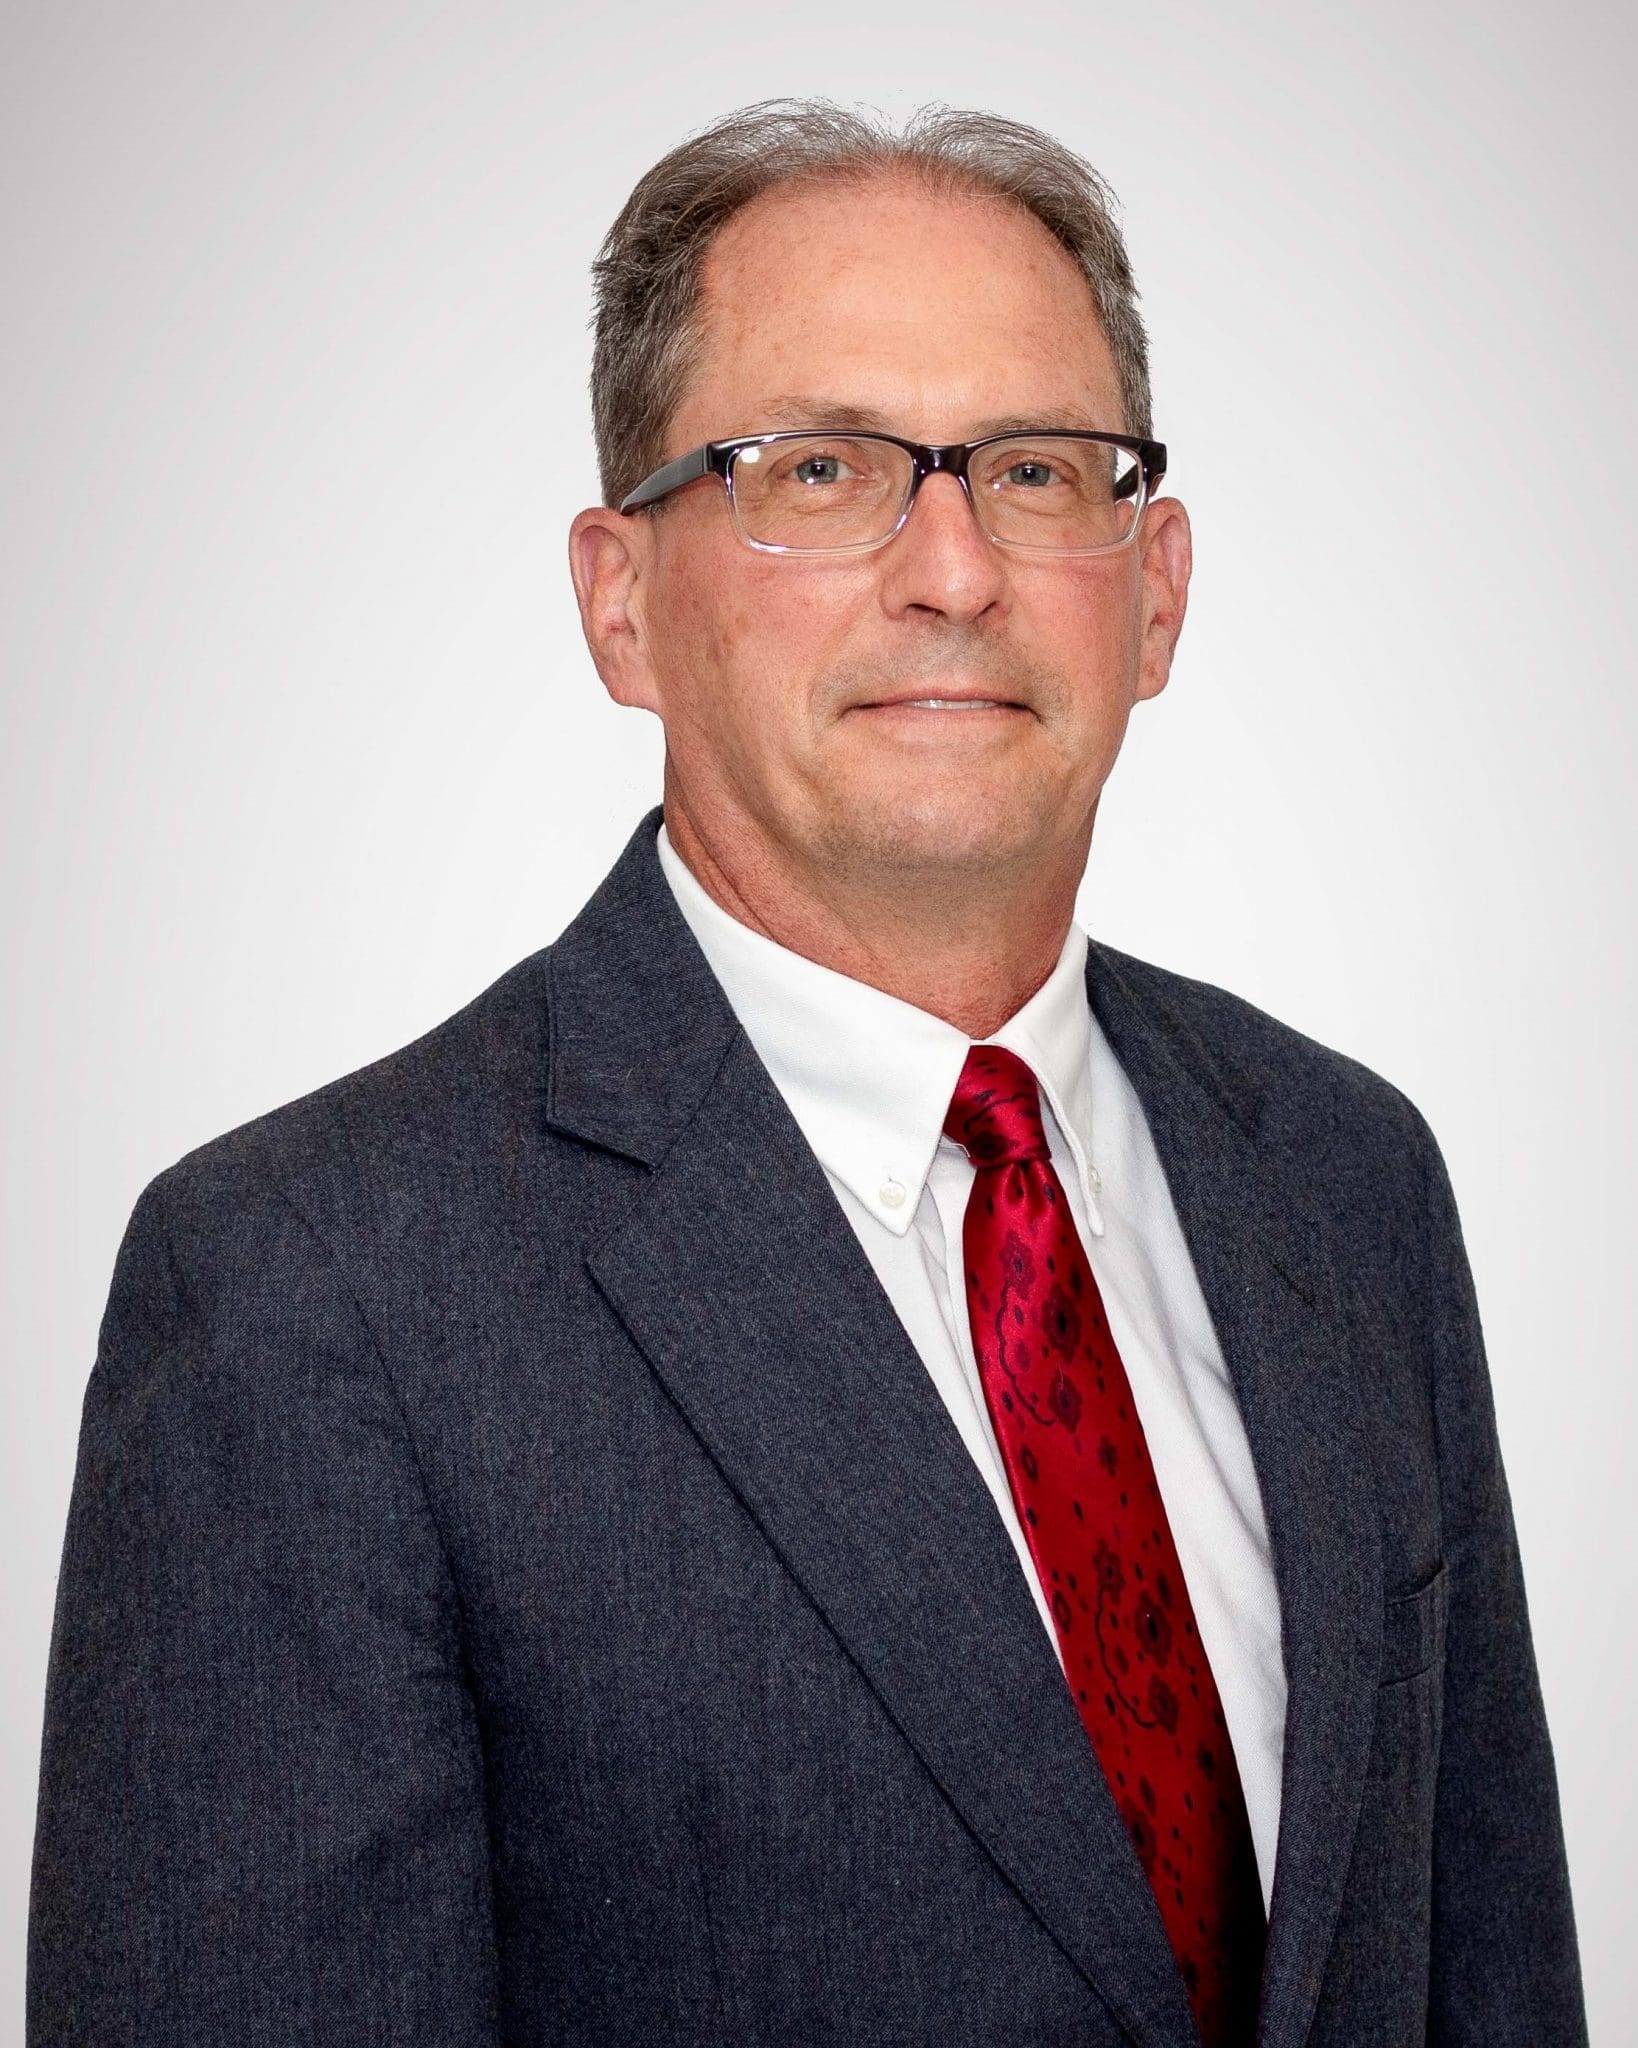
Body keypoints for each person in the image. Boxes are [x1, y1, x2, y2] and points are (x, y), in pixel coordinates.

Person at [28, 96, 1586, 2048]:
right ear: (621, 601)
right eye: (825, 467)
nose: (951, 567)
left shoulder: (1350, 1182)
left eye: (1035, 468)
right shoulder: (307, 1295)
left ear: (1156, 585)